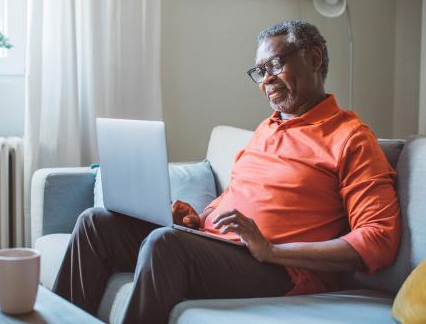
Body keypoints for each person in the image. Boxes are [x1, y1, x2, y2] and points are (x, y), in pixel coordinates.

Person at [53, 20, 401, 324]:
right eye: (259, 71)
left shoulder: (350, 137)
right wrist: (198, 218)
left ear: (313, 59)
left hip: (277, 268)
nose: (266, 80)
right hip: (221, 247)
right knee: (95, 223)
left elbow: (379, 239)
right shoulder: (267, 128)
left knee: (165, 245)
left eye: (275, 65)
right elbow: (241, 195)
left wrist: (271, 251)